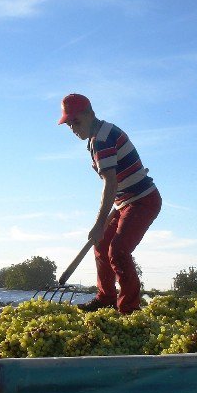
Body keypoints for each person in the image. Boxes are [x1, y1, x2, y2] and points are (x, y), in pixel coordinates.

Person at [57, 93, 161, 314]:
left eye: (77, 121)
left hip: (143, 201)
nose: (73, 127)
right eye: (69, 123)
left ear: (91, 114)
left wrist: (99, 223)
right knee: (101, 245)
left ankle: (130, 309)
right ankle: (105, 298)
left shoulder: (102, 139)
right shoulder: (100, 134)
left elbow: (110, 183)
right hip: (126, 202)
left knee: (119, 250)